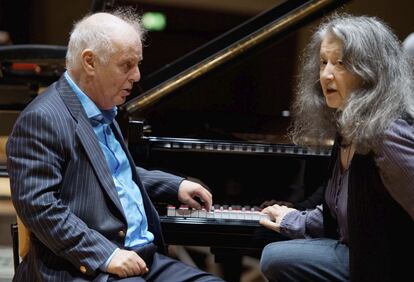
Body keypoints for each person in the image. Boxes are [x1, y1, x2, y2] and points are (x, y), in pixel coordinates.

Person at [6, 9, 224, 282]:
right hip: (82, 267)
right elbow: (39, 207)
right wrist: (106, 254)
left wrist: (174, 185)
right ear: (90, 62)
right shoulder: (42, 118)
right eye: (127, 65)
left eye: (138, 64)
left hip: (142, 257)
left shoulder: (102, 108)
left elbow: (106, 175)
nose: (136, 76)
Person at [259, 13, 414, 282]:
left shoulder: (388, 134)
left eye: (340, 63)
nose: (326, 75)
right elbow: (341, 219)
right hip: (364, 255)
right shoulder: (348, 129)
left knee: (277, 258)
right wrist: (293, 219)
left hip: (390, 266)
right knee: (273, 246)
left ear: (371, 70)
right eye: (323, 62)